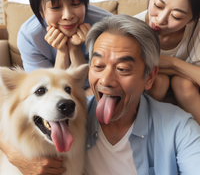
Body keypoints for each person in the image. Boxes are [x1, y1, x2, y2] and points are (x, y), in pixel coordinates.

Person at [2, 14, 200, 175]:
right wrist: (14, 154)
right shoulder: (74, 114)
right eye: (98, 66)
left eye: (122, 68)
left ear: (149, 77)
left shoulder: (180, 129)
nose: (105, 80)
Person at [134, 0, 200, 124]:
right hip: (150, 91)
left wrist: (172, 64)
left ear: (193, 19)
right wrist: (187, 71)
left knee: (183, 84)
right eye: (158, 5)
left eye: (176, 16)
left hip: (187, 93)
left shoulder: (197, 31)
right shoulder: (131, 30)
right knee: (159, 81)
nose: (160, 19)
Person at [17, 0, 112, 75]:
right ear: (40, 11)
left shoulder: (107, 25)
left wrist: (75, 49)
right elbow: (47, 87)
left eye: (75, 3)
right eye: (55, 6)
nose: (68, 15)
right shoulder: (29, 37)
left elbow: (100, 82)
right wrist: (62, 52)